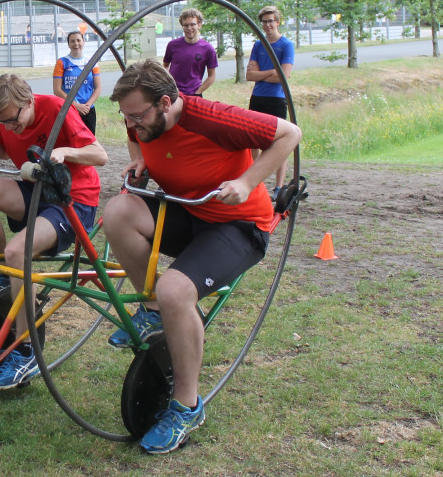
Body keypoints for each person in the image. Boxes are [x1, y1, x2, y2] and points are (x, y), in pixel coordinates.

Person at [102, 60, 300, 454]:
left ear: (165, 102)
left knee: (177, 289)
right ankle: (152, 310)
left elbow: (289, 133)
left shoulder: (212, 117)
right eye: (126, 117)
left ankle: (187, 406)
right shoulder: (141, 119)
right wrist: (141, 158)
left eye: (138, 116)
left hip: (237, 227)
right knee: (118, 211)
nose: (132, 124)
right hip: (188, 212)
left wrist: (247, 181)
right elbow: (137, 137)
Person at [0, 74, 107, 388]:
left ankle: (26, 349)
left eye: (13, 120)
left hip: (73, 199)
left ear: (29, 101)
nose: (9, 127)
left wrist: (66, 152)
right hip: (36, 192)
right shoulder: (7, 117)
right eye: (1, 122)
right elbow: (6, 147)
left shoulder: (57, 109)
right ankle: (2, 270)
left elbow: (100, 155)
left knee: (20, 252)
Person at [246, 5, 296, 191]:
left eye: (270, 21)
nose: (267, 25)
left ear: (278, 22)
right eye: (264, 22)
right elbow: (249, 75)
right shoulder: (258, 45)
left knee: (278, 142)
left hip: (276, 99)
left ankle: (279, 186)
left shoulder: (286, 45)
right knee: (253, 140)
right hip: (258, 97)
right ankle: (257, 182)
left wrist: (264, 73)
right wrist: (271, 71)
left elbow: (283, 76)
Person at [52, 31, 102, 134]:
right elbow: (57, 90)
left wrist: (87, 106)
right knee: (71, 143)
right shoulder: (61, 62)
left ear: (83, 42)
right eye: (72, 41)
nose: (76, 43)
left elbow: (98, 88)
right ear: (68, 44)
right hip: (69, 109)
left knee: (89, 143)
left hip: (88, 110)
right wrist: (75, 106)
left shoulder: (92, 61)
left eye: (78, 40)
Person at [162, 7, 218, 98]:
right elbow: (165, 66)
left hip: (194, 95)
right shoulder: (172, 45)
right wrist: (168, 84)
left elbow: (212, 76)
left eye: (192, 24)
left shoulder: (208, 49)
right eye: (186, 25)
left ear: (199, 25)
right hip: (173, 94)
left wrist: (198, 92)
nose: (189, 28)